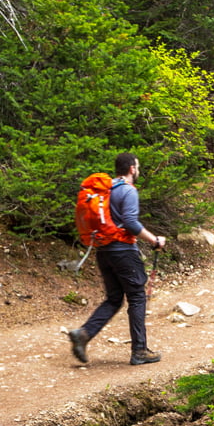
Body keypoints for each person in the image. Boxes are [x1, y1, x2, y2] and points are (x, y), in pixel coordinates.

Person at [68, 152, 166, 365]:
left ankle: (83, 334)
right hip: (123, 251)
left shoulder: (106, 190)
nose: (138, 171)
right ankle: (139, 351)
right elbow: (130, 222)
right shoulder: (128, 191)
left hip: (104, 251)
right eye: (137, 167)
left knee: (114, 299)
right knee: (137, 297)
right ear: (132, 168)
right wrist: (154, 240)